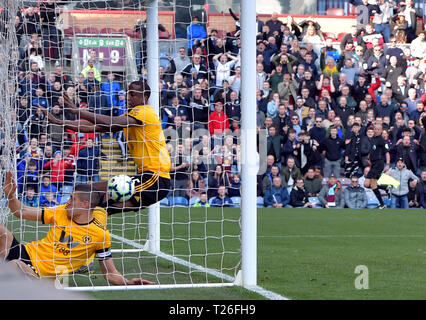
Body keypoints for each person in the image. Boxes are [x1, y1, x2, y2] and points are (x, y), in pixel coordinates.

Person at [40, 80, 171, 214]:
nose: (128, 97)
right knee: (97, 207)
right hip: (147, 177)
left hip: (155, 179)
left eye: (132, 94)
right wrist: (59, 122)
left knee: (90, 194)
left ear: (144, 97)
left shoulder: (145, 112)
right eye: (127, 94)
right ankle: (78, 228)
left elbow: (110, 122)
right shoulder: (131, 116)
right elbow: (93, 126)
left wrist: (78, 111)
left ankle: (58, 216)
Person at [0, 172, 154, 285]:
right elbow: (22, 211)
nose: (67, 201)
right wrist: (10, 196)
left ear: (85, 204)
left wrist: (129, 282)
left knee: (13, 266)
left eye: (72, 198)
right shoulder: (61, 211)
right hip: (25, 252)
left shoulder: (100, 235)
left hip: (36, 272)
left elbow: (110, 273)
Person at [363, 124, 390, 209]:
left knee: (373, 184)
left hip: (379, 163)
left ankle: (382, 204)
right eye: (375, 129)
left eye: (378, 129)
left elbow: (387, 153)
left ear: (381, 130)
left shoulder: (382, 140)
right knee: (366, 184)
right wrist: (369, 157)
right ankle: (385, 187)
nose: (376, 130)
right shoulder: (373, 139)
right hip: (373, 164)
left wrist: (388, 164)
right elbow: (373, 150)